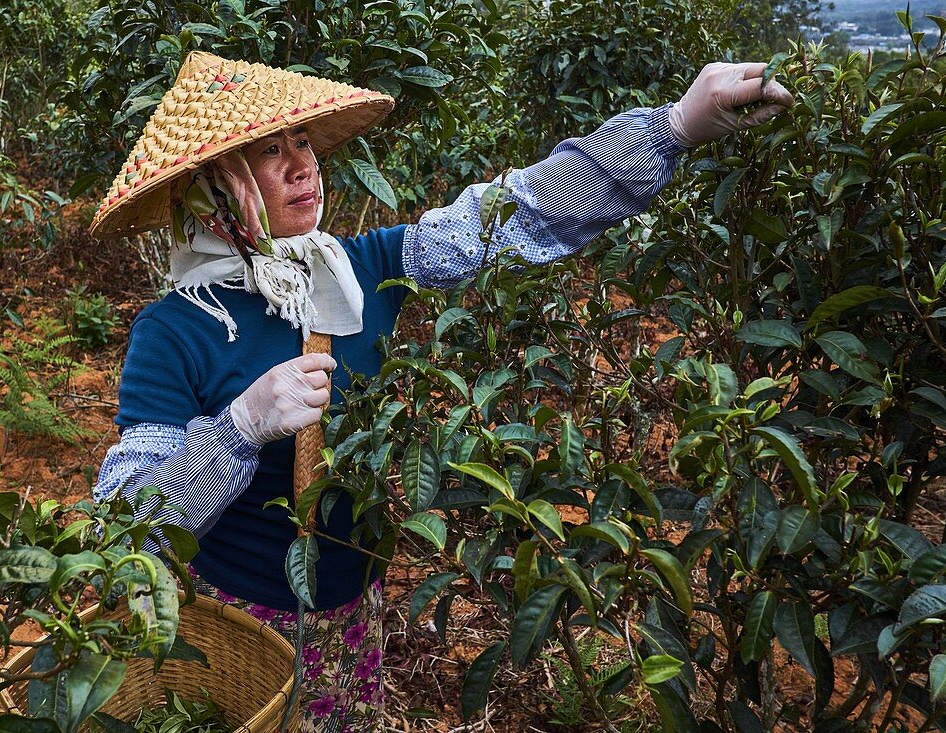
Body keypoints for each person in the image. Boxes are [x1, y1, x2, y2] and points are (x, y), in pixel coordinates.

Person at [90, 52, 793, 732]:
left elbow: (512, 213)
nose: (302, 165)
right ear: (215, 192)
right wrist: (240, 427)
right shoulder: (174, 331)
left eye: (301, 141)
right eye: (268, 154)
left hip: (351, 614)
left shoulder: (357, 269)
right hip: (241, 628)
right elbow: (125, 523)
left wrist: (672, 126)